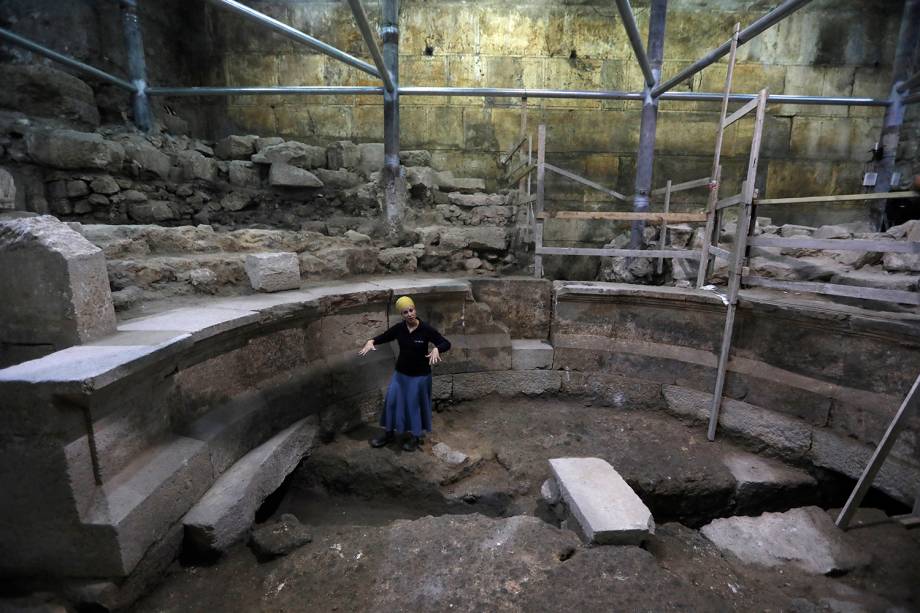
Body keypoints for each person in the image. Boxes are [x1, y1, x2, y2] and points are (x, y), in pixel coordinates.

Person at [358, 295, 451, 451]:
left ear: (415, 309)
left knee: (414, 406)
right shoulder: (400, 328)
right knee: (392, 402)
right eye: (405, 312)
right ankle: (388, 434)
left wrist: (437, 348)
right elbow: (384, 336)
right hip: (401, 374)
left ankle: (415, 437)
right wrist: (371, 341)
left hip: (420, 376)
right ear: (401, 314)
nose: (409, 314)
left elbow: (445, 343)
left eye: (411, 310)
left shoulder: (425, 329)